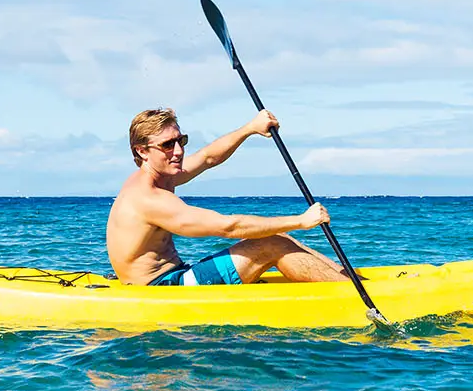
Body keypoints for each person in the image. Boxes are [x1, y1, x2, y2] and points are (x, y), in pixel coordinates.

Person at [106, 107, 345, 286]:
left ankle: (349, 280)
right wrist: (300, 221)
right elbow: (228, 227)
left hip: (176, 274)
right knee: (271, 243)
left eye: (181, 141)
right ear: (141, 151)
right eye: (168, 145)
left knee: (275, 235)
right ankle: (350, 296)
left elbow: (208, 157)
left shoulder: (163, 176)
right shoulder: (148, 197)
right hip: (163, 288)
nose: (178, 151)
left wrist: (250, 128)